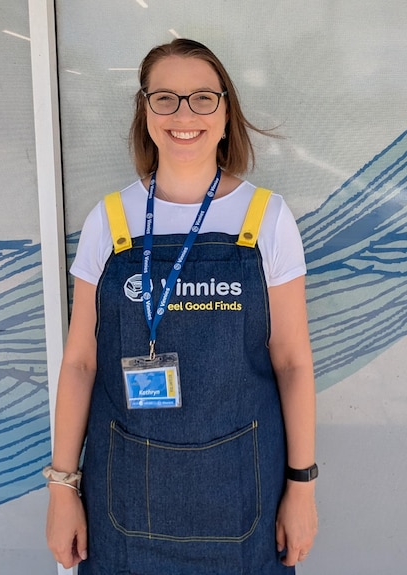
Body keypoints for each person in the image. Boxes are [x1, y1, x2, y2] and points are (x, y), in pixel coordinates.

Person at [45, 38, 318, 574]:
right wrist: (61, 488)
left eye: (202, 98)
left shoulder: (266, 218)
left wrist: (302, 487)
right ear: (145, 111)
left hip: (245, 494)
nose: (183, 114)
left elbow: (292, 361)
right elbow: (80, 362)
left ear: (225, 112)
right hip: (124, 497)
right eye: (165, 97)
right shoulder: (110, 220)